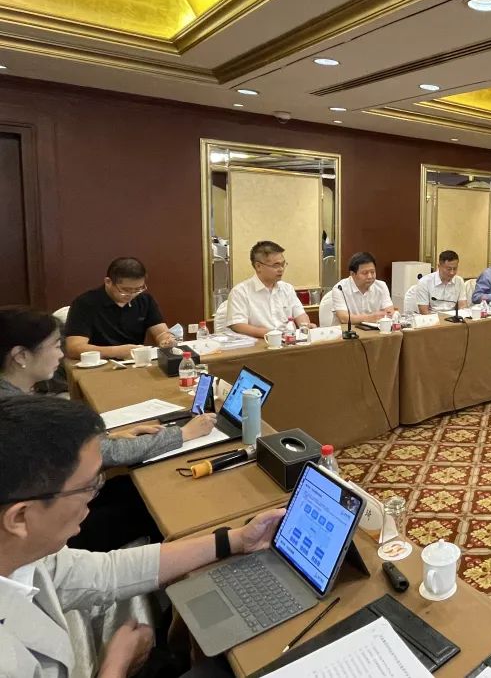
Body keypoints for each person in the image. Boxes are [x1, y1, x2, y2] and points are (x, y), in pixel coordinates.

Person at [0, 396, 285, 678]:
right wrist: (115, 666)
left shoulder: (23, 556)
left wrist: (236, 540)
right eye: (88, 487)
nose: (93, 497)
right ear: (20, 517)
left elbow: (105, 571)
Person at [1, 307, 216, 551]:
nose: (61, 355)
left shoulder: (16, 396)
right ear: (21, 356)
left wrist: (111, 437)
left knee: (130, 484)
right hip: (47, 528)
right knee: (161, 503)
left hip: (51, 503)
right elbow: (107, 454)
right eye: (55, 346)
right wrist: (184, 433)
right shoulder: (16, 412)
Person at [64, 258, 176, 361]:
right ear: (108, 282)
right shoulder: (85, 303)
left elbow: (161, 332)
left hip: (134, 362)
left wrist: (166, 339)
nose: (132, 295)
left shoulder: (145, 300)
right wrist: (117, 352)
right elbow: (73, 348)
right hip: (98, 363)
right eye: (125, 290)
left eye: (138, 289)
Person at [227, 240, 311, 339]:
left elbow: (300, 314)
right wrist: (272, 334)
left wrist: (305, 327)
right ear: (258, 266)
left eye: (283, 264)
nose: (281, 269)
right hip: (259, 343)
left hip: (289, 341)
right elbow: (238, 325)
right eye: (276, 265)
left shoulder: (287, 288)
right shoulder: (240, 292)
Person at [331, 252, 395, 324]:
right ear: (352, 274)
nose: (370, 276)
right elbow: (343, 318)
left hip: (374, 330)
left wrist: (388, 314)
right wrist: (370, 318)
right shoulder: (340, 288)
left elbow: (390, 312)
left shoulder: (381, 286)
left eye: (372, 272)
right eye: (365, 273)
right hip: (346, 330)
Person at [415, 250, 467, 315]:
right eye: (449, 269)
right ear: (439, 266)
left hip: (452, 318)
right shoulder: (424, 282)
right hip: (432, 318)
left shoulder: (459, 281)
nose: (452, 272)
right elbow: (424, 312)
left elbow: (463, 307)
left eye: (455, 269)